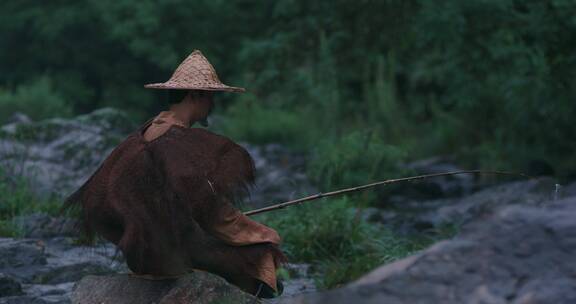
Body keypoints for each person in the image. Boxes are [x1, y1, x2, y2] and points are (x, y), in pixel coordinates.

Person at [59, 50, 286, 298]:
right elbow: (212, 211)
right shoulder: (174, 141)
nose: (212, 104)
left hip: (144, 256)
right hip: (168, 258)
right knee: (262, 256)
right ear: (195, 95)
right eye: (210, 98)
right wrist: (261, 234)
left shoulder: (150, 130)